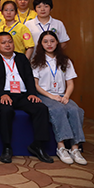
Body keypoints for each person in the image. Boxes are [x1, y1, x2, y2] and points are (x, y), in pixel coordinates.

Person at [0, 32, 52, 163]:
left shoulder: (21, 58)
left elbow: (29, 77)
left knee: (41, 108)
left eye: (10, 41)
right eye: (3, 42)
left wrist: (32, 93)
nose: (7, 45)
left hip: (23, 94)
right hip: (5, 94)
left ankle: (38, 145)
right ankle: (7, 147)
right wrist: (1, 94)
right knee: (6, 110)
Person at [31, 31, 86, 165]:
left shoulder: (65, 61)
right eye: (45, 41)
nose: (49, 44)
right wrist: (51, 96)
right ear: (41, 44)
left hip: (62, 95)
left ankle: (75, 148)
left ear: (57, 43)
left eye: (52, 41)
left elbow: (70, 83)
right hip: (45, 95)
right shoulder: (36, 61)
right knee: (58, 110)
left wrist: (66, 96)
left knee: (75, 110)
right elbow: (35, 85)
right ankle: (61, 147)